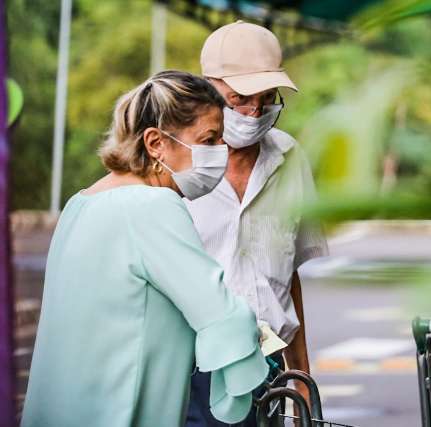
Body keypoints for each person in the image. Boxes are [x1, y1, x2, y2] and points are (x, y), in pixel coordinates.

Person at [20, 71, 268, 427]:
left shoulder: (80, 203)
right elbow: (220, 313)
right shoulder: (153, 206)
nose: (220, 154)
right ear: (155, 143)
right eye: (208, 140)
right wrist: (256, 344)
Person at [185, 21, 328, 427]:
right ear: (208, 88)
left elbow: (288, 276)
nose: (254, 112)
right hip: (192, 368)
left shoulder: (289, 159)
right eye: (241, 98)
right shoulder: (178, 164)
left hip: (265, 366)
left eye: (267, 99)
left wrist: (300, 374)